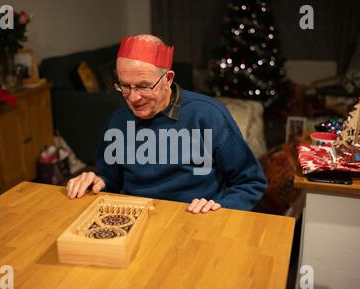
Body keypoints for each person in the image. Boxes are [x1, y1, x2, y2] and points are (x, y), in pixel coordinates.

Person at [67, 34, 267, 213]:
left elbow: (250, 181)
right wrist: (97, 180)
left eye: (144, 86)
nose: (133, 98)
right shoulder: (119, 121)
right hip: (135, 218)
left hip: (194, 220)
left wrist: (220, 208)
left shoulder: (208, 115)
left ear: (168, 79)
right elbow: (111, 177)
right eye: (125, 86)